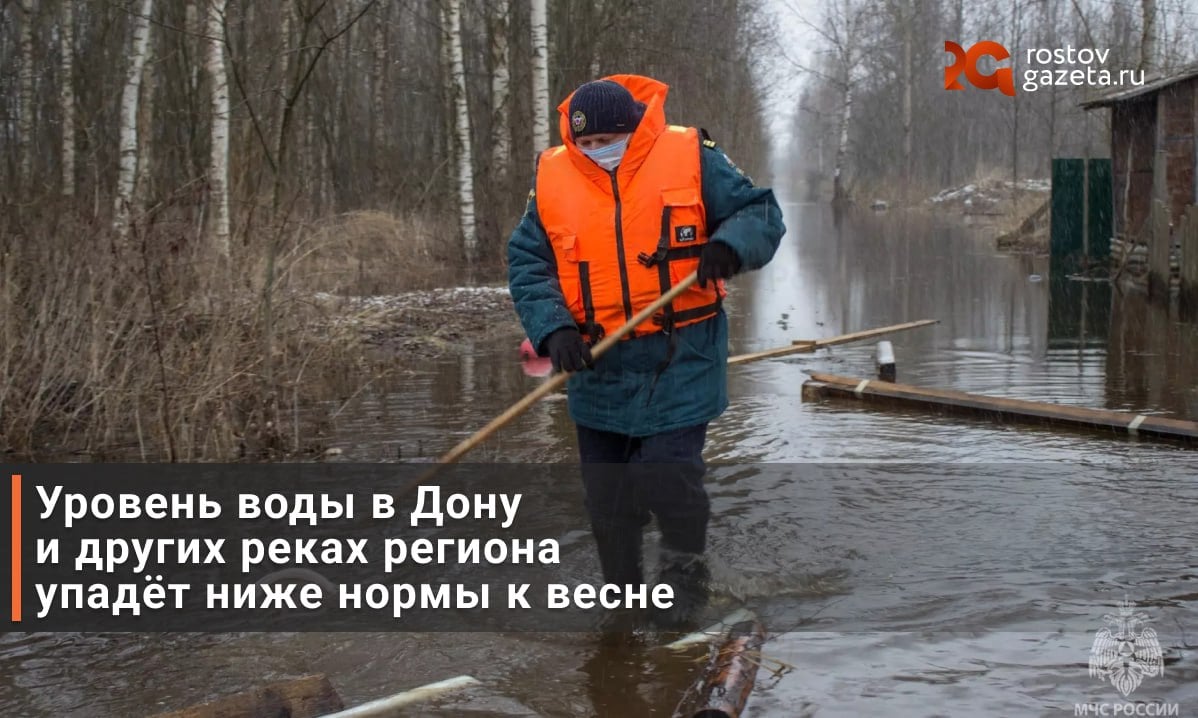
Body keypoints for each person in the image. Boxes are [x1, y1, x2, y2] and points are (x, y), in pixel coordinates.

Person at [506, 74, 785, 629]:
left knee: (667, 474)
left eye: (606, 140)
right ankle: (623, 603)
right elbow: (528, 262)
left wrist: (729, 246)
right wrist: (552, 327)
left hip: (680, 356)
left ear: (631, 129)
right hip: (597, 363)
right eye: (584, 144)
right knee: (607, 498)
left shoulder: (690, 155)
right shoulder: (553, 176)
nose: (595, 153)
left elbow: (760, 214)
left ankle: (685, 589)